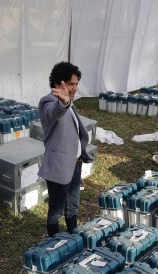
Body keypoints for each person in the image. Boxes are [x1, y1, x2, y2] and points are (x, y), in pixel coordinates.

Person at [38, 62, 93, 236]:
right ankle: (54, 242)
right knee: (56, 209)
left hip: (75, 164)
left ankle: (73, 233)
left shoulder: (69, 101)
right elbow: (53, 112)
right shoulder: (49, 102)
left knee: (73, 204)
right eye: (71, 84)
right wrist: (62, 103)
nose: (75, 88)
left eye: (76, 84)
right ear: (58, 84)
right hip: (59, 166)